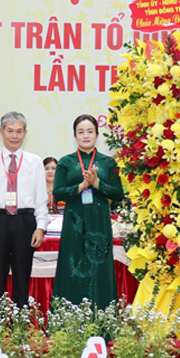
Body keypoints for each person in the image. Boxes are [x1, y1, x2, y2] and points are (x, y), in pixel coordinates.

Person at [0, 112, 50, 307]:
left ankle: (20, 323)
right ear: (1, 132)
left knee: (22, 277)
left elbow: (41, 198)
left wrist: (41, 227)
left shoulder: (35, 162)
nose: (14, 136)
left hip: (24, 221)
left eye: (19, 131)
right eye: (10, 131)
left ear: (25, 133)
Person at [52, 115, 124, 309]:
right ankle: (69, 316)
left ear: (97, 135)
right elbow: (58, 192)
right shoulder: (65, 162)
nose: (86, 136)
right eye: (81, 132)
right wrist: (82, 185)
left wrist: (98, 184)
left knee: (100, 265)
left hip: (100, 223)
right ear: (75, 135)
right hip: (74, 222)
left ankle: (101, 315)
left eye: (90, 131)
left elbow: (118, 193)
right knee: (72, 264)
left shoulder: (108, 163)